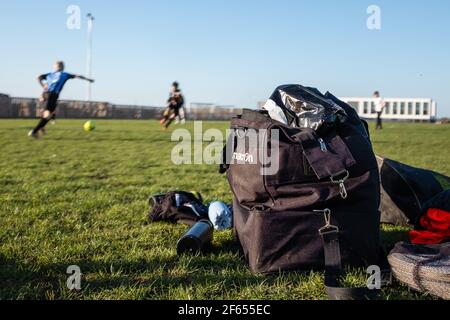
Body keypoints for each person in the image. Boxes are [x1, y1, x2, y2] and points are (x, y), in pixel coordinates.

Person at [28, 61, 94, 138]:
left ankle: (41, 127)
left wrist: (43, 86)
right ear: (63, 67)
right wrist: (88, 80)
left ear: (55, 67)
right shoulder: (64, 74)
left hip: (46, 94)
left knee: (50, 114)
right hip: (52, 95)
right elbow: (78, 76)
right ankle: (34, 131)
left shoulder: (50, 74)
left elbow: (38, 77)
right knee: (48, 115)